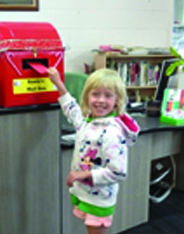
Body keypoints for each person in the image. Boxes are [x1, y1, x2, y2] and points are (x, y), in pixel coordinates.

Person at [47, 67, 140, 234]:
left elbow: (118, 172)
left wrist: (83, 175)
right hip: (88, 193)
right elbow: (73, 111)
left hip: (99, 198)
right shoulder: (90, 123)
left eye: (108, 95)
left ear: (117, 100)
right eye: (95, 94)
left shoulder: (112, 132)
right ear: (87, 96)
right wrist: (59, 84)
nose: (100, 100)